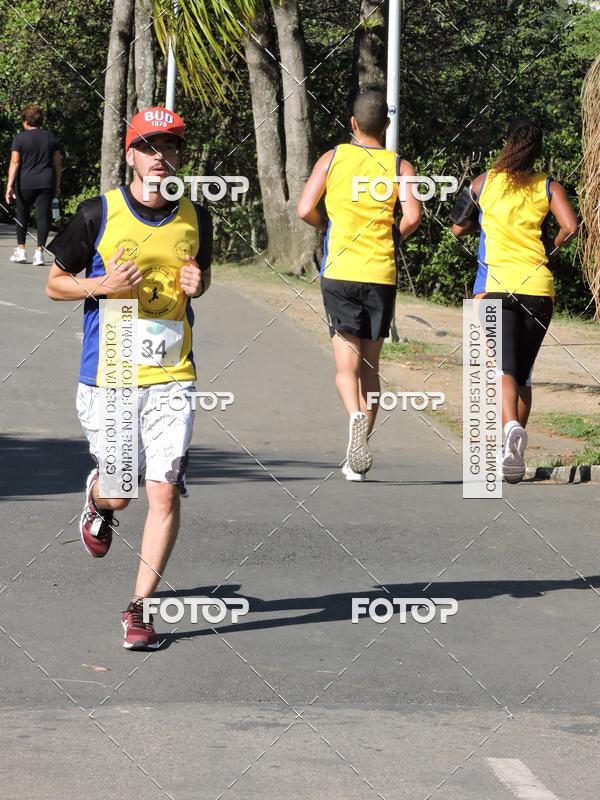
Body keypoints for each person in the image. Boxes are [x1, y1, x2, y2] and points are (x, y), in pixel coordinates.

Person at [46, 107, 213, 649]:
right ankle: (98, 503)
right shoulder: (98, 213)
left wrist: (199, 281)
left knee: (163, 493)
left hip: (172, 371)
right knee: (121, 494)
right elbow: (54, 284)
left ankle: (138, 609)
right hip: (111, 365)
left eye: (170, 148)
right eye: (150, 147)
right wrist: (101, 285)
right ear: (131, 155)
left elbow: (198, 279)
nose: (161, 157)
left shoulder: (195, 216)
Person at [297, 89, 422, 481]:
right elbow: (414, 216)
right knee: (371, 367)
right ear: (386, 126)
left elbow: (305, 209)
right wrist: (391, 237)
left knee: (344, 366)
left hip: (341, 272)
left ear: (353, 123)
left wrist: (328, 227)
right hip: (380, 274)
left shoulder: (332, 158)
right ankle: (358, 453)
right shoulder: (400, 165)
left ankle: (353, 418)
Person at [450, 118, 578, 483]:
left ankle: (508, 431)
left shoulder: (484, 182)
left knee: (502, 370)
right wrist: (549, 250)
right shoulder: (548, 186)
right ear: (536, 151)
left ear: (508, 145)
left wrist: (483, 224)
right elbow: (570, 226)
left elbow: (458, 225)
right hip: (538, 288)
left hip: (494, 288)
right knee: (523, 373)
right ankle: (513, 450)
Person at [6, 105, 62, 266]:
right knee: (43, 217)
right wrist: (57, 184)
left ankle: (21, 251)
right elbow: (58, 164)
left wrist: (9, 185)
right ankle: (39, 254)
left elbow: (15, 162)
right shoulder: (51, 138)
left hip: (25, 182)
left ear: (25, 122)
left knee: (22, 214)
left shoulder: (19, 138)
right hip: (46, 182)